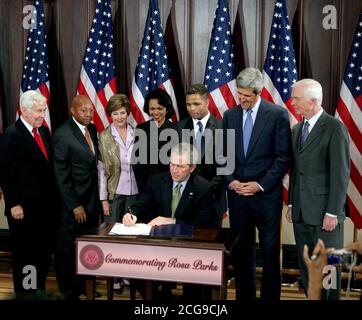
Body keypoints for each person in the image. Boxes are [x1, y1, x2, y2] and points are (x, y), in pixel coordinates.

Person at [222, 67, 291, 300]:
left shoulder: (277, 115)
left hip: (266, 197)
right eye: (239, 94)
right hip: (238, 196)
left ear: (258, 92)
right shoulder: (230, 116)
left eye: (247, 96)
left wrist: (259, 185)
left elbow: (283, 157)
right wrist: (231, 182)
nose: (242, 99)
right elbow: (223, 155)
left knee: (270, 253)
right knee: (242, 252)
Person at [123, 142, 214, 300]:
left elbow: (202, 225)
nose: (174, 170)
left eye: (180, 166)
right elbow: (140, 205)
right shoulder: (156, 180)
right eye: (172, 164)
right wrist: (131, 214)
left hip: (189, 246)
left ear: (192, 168)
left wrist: (173, 221)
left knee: (197, 287)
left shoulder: (203, 187)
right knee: (133, 269)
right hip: (158, 245)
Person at [286, 78, 350, 300]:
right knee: (308, 267)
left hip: (326, 215)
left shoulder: (334, 128)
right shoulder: (297, 129)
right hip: (302, 213)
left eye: (296, 98)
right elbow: (296, 170)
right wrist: (292, 203)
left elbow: (340, 175)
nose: (291, 102)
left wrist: (333, 211)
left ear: (312, 101)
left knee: (328, 270)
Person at [0, 90, 55, 298]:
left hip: (43, 210)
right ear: (24, 110)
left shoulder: (43, 132)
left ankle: (37, 291)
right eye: (38, 111)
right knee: (26, 257)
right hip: (22, 211)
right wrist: (14, 204)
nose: (42, 115)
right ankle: (26, 294)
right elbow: (6, 173)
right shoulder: (11, 135)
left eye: (44, 110)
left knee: (41, 254)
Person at [52, 95, 102, 300]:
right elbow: (61, 176)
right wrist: (75, 205)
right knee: (66, 248)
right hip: (72, 205)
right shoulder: (62, 135)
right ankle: (68, 290)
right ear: (72, 111)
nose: (89, 114)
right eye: (84, 110)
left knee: (86, 246)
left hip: (91, 201)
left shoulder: (92, 129)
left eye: (90, 110)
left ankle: (84, 286)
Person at [97, 94, 139, 293]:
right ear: (110, 115)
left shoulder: (138, 131)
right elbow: (102, 170)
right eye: (115, 113)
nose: (120, 117)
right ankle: (114, 276)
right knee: (113, 235)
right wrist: (103, 199)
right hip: (114, 193)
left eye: (123, 112)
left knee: (132, 234)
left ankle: (128, 273)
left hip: (136, 192)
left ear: (128, 113)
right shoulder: (104, 136)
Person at [176, 83, 226, 227]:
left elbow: (225, 165)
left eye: (196, 104)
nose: (192, 108)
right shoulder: (178, 128)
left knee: (210, 245)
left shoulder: (222, 127)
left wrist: (207, 190)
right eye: (188, 104)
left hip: (213, 198)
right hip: (183, 199)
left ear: (207, 102)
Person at [132, 88, 175, 193]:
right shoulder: (141, 128)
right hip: (146, 186)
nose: (155, 112)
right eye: (152, 109)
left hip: (169, 186)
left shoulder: (176, 129)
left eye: (159, 108)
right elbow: (137, 162)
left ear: (167, 109)